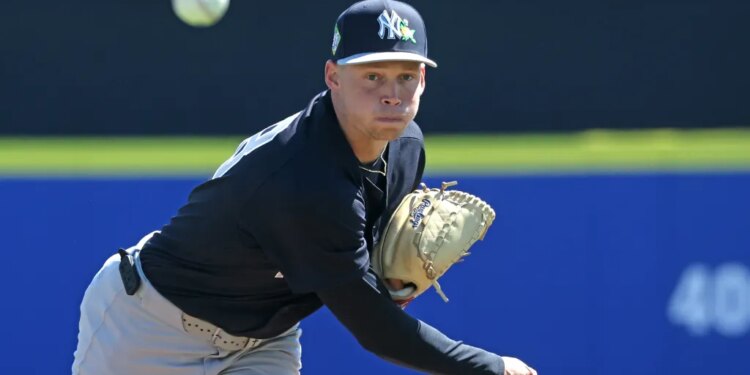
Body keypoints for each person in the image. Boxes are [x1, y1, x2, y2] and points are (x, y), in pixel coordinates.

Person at [72, 1, 537, 374]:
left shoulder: (406, 147)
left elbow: (363, 273)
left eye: (406, 76)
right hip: (150, 329)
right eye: (372, 76)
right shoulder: (302, 177)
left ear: (424, 81)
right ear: (333, 76)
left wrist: (389, 282)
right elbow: (376, 330)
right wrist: (490, 367)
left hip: (263, 341)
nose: (391, 93)